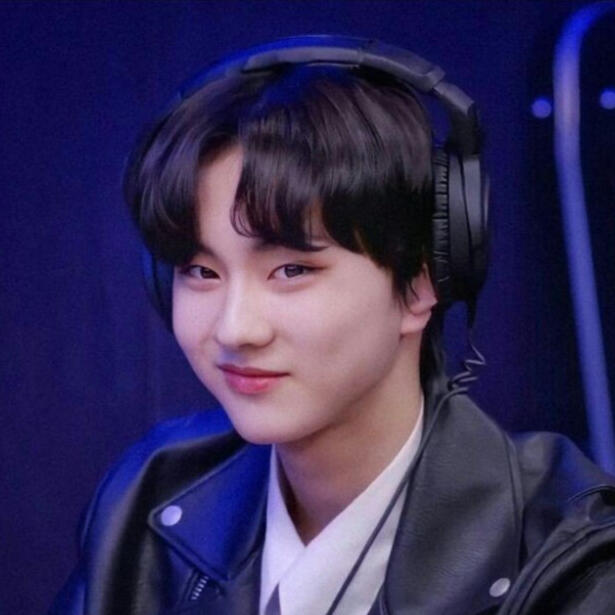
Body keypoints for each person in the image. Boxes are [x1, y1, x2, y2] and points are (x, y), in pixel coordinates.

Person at [50, 36, 615, 615]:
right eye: (201, 271)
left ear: (421, 282)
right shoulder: (148, 497)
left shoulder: (571, 555)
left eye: (292, 270)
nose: (235, 329)